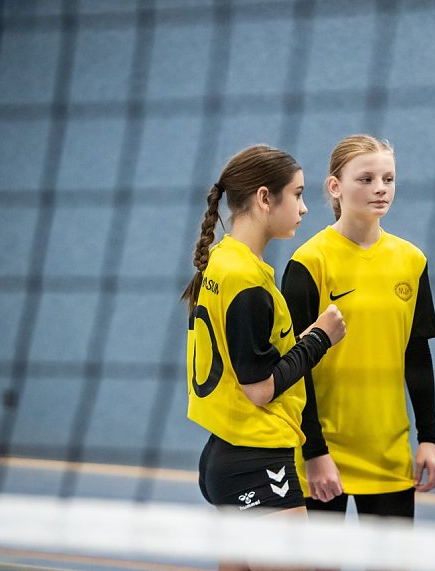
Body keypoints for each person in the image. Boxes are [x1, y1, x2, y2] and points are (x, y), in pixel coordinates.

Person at [183, 145, 346, 570]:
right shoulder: (246, 279)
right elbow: (258, 389)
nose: (305, 208)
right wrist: (319, 338)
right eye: (297, 194)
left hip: (226, 453)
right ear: (263, 198)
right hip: (256, 459)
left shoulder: (222, 260)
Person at [281, 134, 435, 520]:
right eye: (366, 179)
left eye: (388, 179)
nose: (380, 189)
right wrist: (314, 451)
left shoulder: (411, 260)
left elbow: (416, 354)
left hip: (388, 454)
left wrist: (429, 438)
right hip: (322, 454)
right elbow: (292, 367)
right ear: (335, 186)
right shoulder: (309, 261)